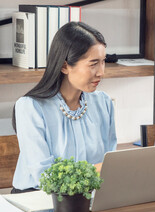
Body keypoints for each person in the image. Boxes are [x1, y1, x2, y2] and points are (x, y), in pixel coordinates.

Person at [11, 22, 117, 193]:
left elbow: (110, 163)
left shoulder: (103, 102)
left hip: (89, 197)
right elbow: (45, 176)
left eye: (103, 62)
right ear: (65, 66)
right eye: (93, 64)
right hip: (39, 200)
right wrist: (96, 171)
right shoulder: (30, 107)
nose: (101, 72)